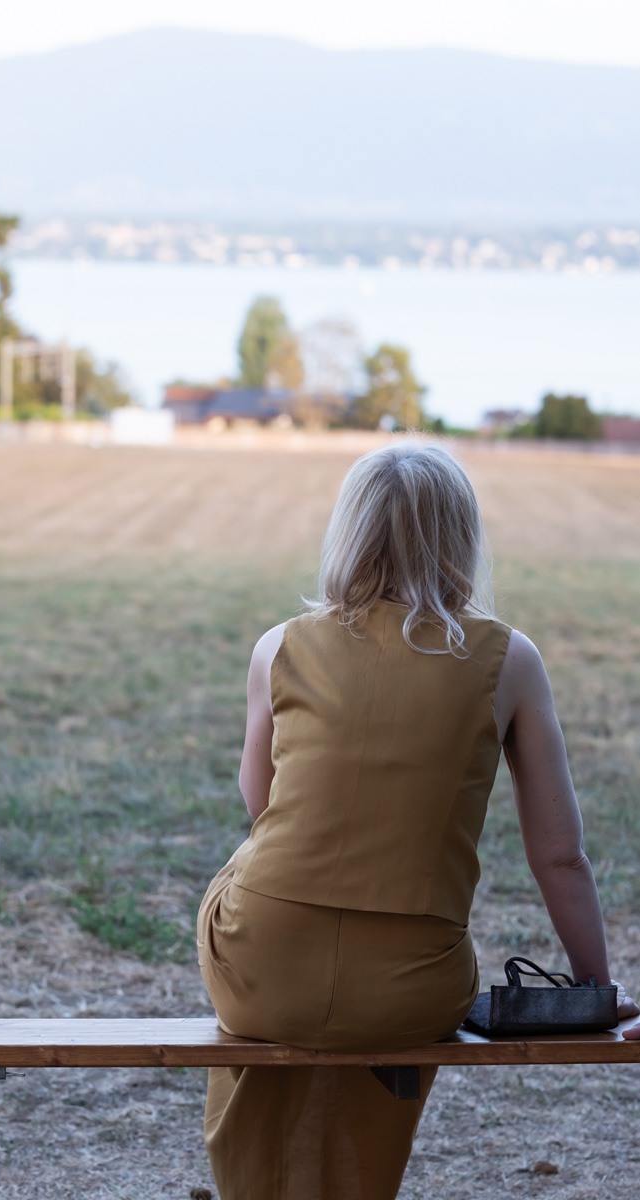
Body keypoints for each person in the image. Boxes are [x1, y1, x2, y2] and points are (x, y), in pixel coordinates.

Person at [196, 441, 638, 1200]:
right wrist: (595, 987)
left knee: (252, 858)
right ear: (460, 537)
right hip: (410, 993)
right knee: (381, 967)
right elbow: (560, 855)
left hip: (260, 976)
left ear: (348, 531)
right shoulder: (509, 659)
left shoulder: (279, 646)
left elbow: (260, 803)